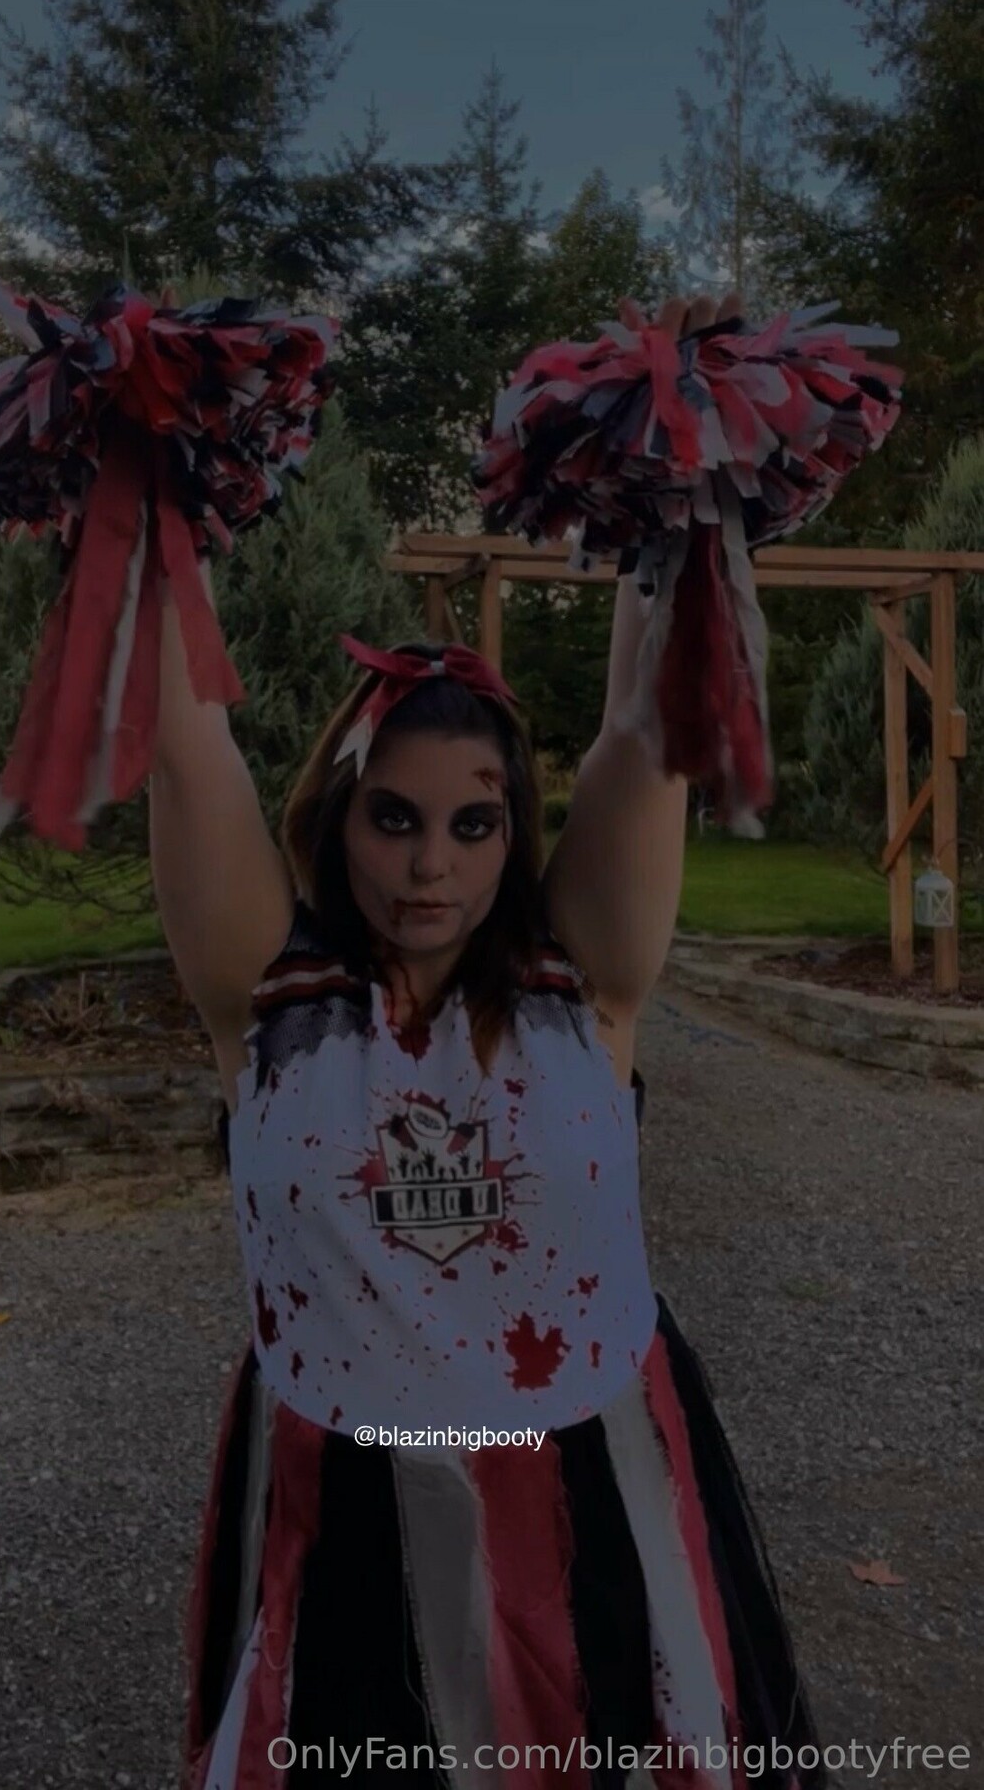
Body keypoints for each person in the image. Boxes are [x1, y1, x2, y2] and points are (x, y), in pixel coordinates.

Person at [151, 293, 827, 1790]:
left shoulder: (581, 991)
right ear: (338, 819)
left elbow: (645, 731)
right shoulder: (270, 1007)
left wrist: (679, 489)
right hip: (342, 1495)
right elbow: (185, 742)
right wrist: (144, 501)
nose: (429, 867)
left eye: (473, 824)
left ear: (516, 833)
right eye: (392, 819)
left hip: (594, 1480)